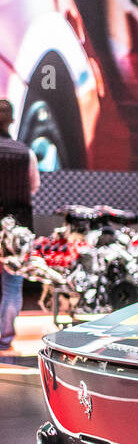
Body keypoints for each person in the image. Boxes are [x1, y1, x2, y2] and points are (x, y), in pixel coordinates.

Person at [0, 99, 39, 354]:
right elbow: (33, 187)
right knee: (12, 284)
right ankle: (3, 339)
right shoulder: (26, 153)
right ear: (12, 120)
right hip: (17, 228)